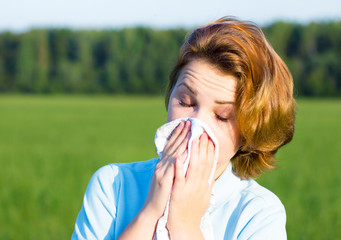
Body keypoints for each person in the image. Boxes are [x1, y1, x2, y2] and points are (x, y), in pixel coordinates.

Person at [72, 16, 295, 240]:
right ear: (170, 96)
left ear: (249, 133)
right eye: (186, 102)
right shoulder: (113, 185)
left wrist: (184, 227)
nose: (196, 125)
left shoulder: (258, 214)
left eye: (222, 116)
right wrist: (150, 213)